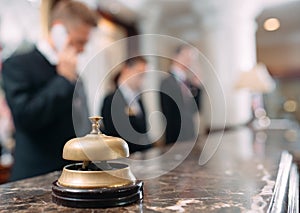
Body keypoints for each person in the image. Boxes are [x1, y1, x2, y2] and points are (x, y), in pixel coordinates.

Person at [1, 0, 97, 181]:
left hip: (73, 177)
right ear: (59, 31)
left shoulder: (76, 75)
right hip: (35, 180)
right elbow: (25, 118)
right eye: (79, 42)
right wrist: (62, 80)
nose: (82, 49)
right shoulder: (18, 65)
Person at [101, 56, 152, 153]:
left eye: (144, 75)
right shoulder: (111, 100)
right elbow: (114, 136)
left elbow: (143, 130)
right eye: (140, 74)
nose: (142, 79)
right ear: (126, 70)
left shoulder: (139, 99)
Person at [160, 45, 202, 144]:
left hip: (190, 137)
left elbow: (195, 109)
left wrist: (198, 88)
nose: (189, 60)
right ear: (175, 57)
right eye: (186, 56)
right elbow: (169, 115)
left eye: (191, 58)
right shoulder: (166, 82)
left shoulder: (188, 82)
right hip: (175, 139)